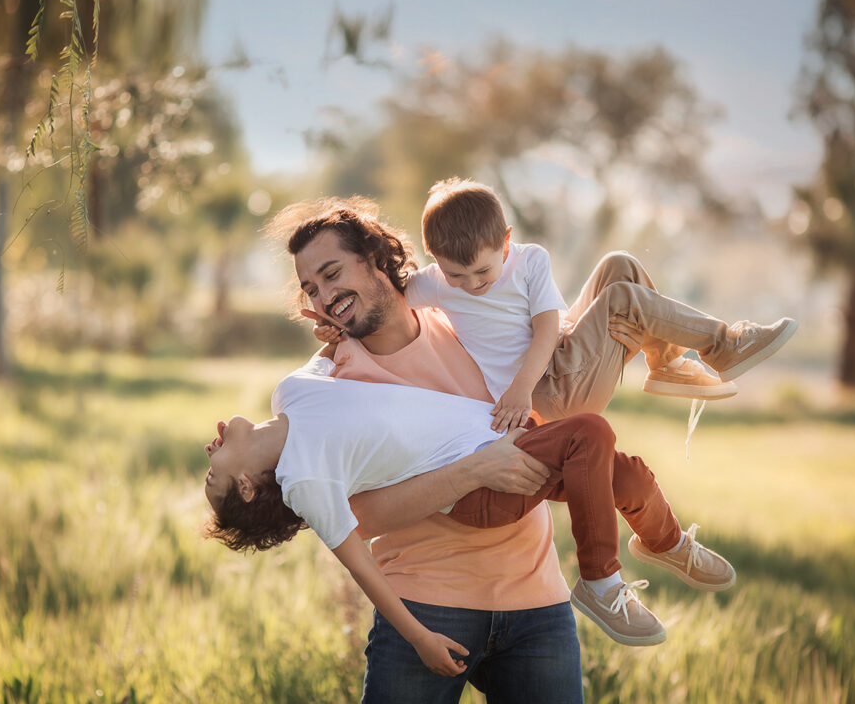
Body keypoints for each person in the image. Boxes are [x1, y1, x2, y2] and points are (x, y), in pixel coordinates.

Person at [258, 196, 733, 704]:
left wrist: (622, 334)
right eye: (312, 289)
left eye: (332, 274)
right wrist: (474, 470)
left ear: (376, 258)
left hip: (537, 602)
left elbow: (548, 379)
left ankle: (666, 535)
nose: (326, 296)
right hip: (426, 603)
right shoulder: (333, 378)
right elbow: (357, 520)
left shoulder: (461, 313)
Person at [203, 358, 699, 680]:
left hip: (501, 438)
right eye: (211, 473)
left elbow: (333, 350)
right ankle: (599, 582)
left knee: (626, 478)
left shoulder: (289, 392)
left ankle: (666, 542)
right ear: (247, 486)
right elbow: (359, 566)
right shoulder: (303, 480)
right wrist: (419, 638)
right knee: (589, 431)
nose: (209, 449)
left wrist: (331, 325)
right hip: (483, 488)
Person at [315, 177, 797, 434]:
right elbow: (384, 302)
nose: (472, 285)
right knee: (623, 299)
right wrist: (334, 320)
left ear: (506, 243)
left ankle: (665, 362)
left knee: (619, 265)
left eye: (483, 272)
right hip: (551, 392)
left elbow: (549, 326)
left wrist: (582, 340)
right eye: (457, 276)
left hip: (558, 361)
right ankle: (722, 345)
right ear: (437, 262)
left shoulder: (529, 262)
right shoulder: (438, 284)